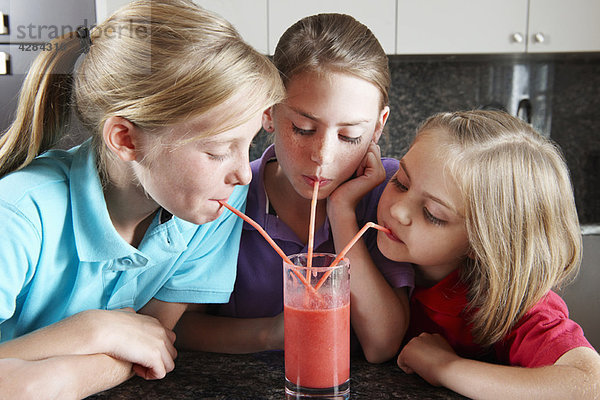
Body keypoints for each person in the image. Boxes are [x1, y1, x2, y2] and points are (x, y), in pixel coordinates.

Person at [0, 0, 284, 397]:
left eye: (249, 144)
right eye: (219, 150)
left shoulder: (212, 208)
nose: (242, 172)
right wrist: (92, 331)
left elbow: (152, 344)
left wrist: (51, 380)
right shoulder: (16, 216)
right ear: (126, 139)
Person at [175, 13, 413, 363]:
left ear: (378, 127)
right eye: (303, 128)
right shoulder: (229, 195)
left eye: (350, 136)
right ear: (268, 111)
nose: (323, 156)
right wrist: (272, 332)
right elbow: (179, 326)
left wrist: (343, 214)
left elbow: (382, 345)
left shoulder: (390, 193)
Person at [375, 110, 600, 398]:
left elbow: (588, 383)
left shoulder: (511, 306)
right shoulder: (377, 242)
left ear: (481, 244)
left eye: (433, 214)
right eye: (401, 182)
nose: (397, 211)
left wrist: (446, 367)